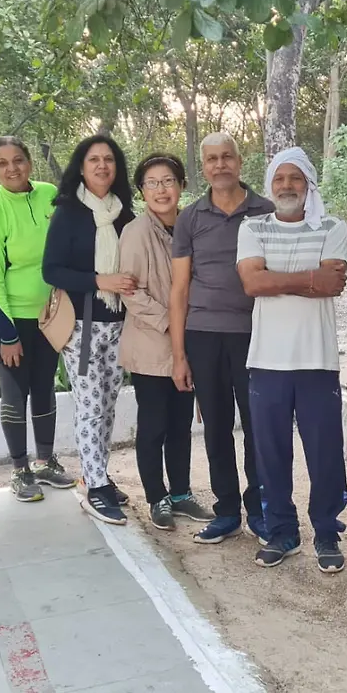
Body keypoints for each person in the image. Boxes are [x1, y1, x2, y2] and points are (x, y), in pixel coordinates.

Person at [237, 148, 347, 572]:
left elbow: (332, 284)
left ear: (309, 184)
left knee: (325, 452)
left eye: (295, 178)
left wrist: (276, 279)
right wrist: (309, 278)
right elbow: (252, 283)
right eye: (279, 178)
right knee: (270, 453)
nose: (287, 185)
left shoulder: (331, 227)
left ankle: (326, 532)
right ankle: (282, 533)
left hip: (317, 361)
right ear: (270, 184)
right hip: (267, 361)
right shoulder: (253, 227)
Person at [170, 132, 275, 544]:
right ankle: (227, 511)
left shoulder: (265, 211)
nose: (220, 165)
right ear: (203, 166)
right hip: (203, 335)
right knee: (215, 428)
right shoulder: (190, 218)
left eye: (227, 157)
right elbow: (179, 289)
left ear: (239, 160)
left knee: (257, 427)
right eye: (211, 159)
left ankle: (260, 511)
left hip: (256, 335)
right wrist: (179, 356)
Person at [0, 135, 76, 502]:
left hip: (49, 314)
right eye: (2, 163)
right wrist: (7, 335)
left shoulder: (49, 194)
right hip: (10, 317)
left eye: (18, 160)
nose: (12, 169)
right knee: (15, 390)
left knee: (44, 384)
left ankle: (45, 462)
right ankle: (20, 470)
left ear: (30, 163)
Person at [42, 135, 136, 525]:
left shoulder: (124, 213)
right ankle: (95, 487)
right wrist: (101, 281)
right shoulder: (68, 212)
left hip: (119, 324)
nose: (102, 166)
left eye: (108, 160)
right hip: (81, 327)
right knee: (91, 407)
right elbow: (52, 270)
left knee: (107, 406)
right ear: (81, 168)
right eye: (94, 159)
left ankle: (98, 475)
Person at [119, 153, 215, 530]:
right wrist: (172, 324)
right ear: (142, 191)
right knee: (154, 424)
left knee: (180, 424)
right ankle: (156, 497)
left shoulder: (191, 225)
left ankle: (180, 494)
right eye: (152, 183)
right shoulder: (135, 232)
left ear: (181, 185)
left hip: (188, 343)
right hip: (151, 345)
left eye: (168, 181)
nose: (161, 190)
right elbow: (131, 292)